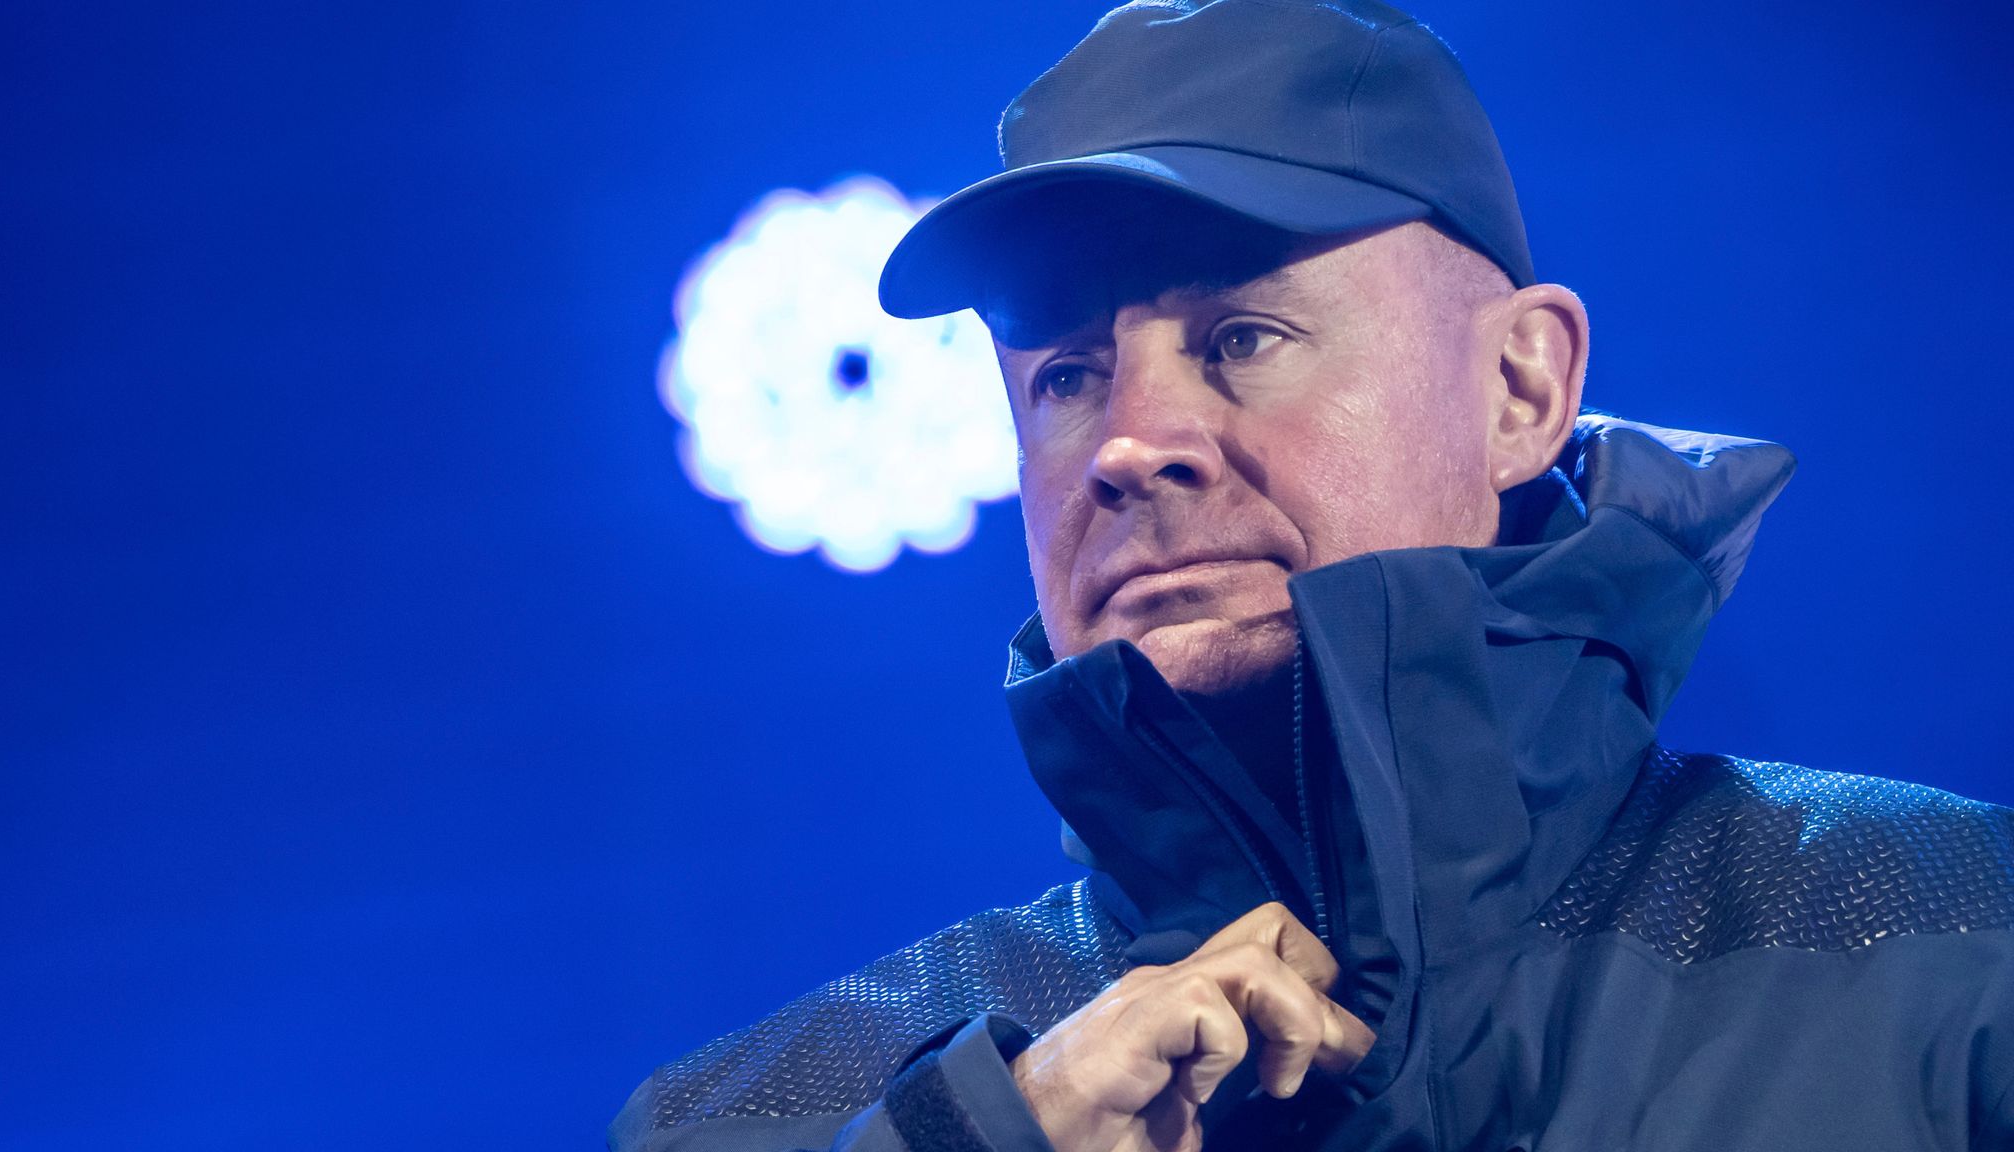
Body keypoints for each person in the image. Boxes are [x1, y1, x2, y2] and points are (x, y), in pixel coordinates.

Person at [612, 2, 2014, 1149]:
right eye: (1067, 375)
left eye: (1242, 338)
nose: (1129, 445)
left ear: (1521, 387)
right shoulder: (770, 1120)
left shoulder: (1961, 943)